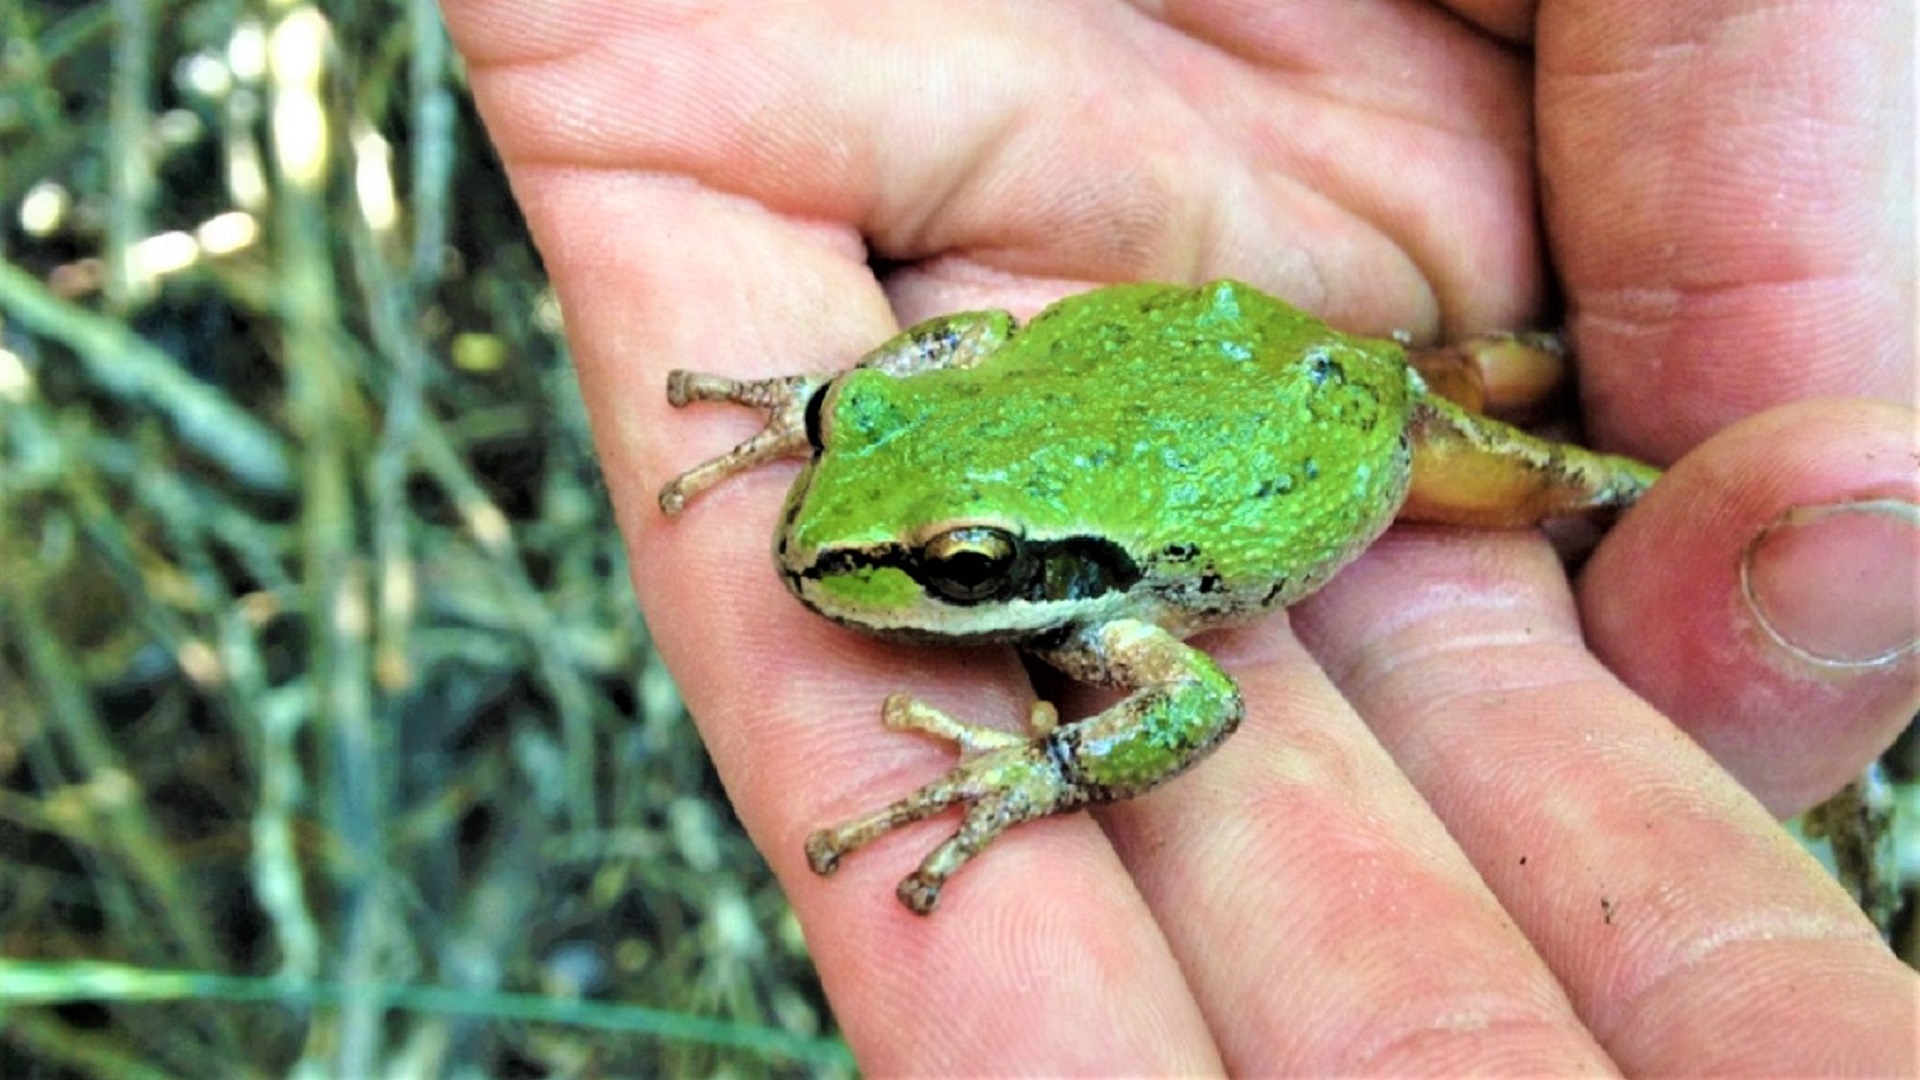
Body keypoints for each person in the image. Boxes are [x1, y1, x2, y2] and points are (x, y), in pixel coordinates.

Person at [441, 2, 1916, 1072]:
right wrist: (831, 406)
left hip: (1359, 415)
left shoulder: (1114, 626)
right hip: (1210, 364)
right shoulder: (926, 459)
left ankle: (1583, 426)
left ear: (1037, 577)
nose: (816, 558)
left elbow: (1201, 699)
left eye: (960, 569)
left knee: (1610, 486)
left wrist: (1048, 765)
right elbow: (948, 354)